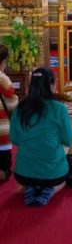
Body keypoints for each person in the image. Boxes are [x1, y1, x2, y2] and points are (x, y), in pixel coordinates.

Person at [10, 68, 72, 206]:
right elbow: (68, 140)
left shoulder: (20, 108)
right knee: (64, 179)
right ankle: (49, 191)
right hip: (53, 175)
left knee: (33, 175)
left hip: (22, 175)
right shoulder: (59, 108)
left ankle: (31, 187)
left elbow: (14, 139)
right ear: (51, 86)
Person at [0, 45, 19, 181]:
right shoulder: (3, 79)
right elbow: (12, 104)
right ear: (3, 62)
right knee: (4, 167)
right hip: (1, 129)